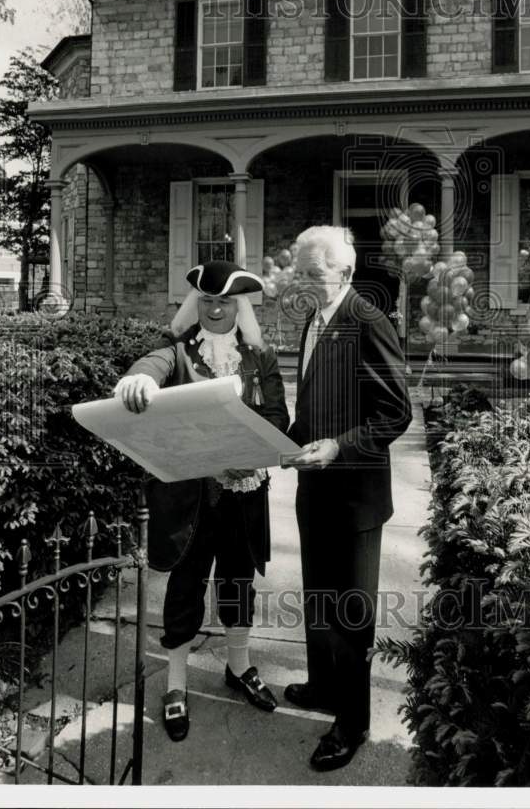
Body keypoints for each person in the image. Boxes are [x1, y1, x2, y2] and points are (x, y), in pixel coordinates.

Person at [114, 260, 289, 742]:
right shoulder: (178, 352)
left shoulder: (260, 359)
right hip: (192, 497)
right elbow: (153, 366)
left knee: (238, 580)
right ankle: (175, 683)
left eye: (226, 301)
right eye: (208, 300)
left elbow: (277, 419)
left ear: (238, 306)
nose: (216, 308)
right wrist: (140, 380)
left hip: (245, 493)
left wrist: (251, 453)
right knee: (186, 586)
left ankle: (239, 666)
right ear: (198, 303)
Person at [283, 225, 412, 772]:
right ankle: (322, 686)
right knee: (319, 600)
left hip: (354, 496)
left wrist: (337, 448)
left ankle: (352, 721)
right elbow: (311, 408)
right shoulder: (316, 317)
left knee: (350, 611)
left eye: (314, 274)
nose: (305, 283)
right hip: (314, 490)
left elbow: (394, 413)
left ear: (345, 271)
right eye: (300, 272)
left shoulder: (367, 320)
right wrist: (271, 443)